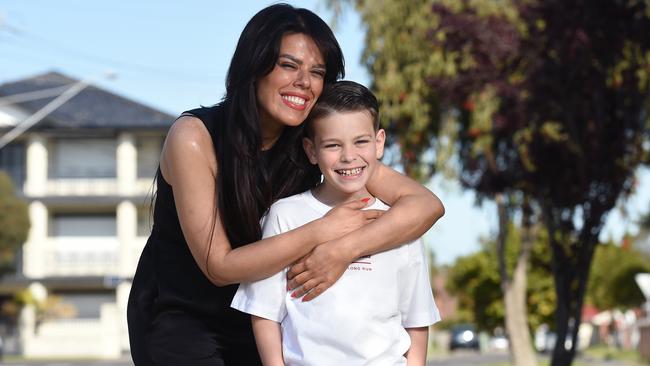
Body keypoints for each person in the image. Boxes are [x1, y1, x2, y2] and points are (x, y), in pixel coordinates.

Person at [127, 4, 444, 366]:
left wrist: (344, 249)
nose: (304, 82)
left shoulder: (318, 145)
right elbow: (220, 266)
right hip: (183, 316)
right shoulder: (195, 138)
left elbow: (424, 206)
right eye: (288, 66)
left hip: (261, 317)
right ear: (254, 66)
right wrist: (322, 231)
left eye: (317, 72)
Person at [232, 81, 440, 366]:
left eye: (361, 141)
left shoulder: (402, 223)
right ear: (311, 150)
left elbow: (416, 319)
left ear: (379, 142)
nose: (348, 156)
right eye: (332, 145)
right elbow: (264, 313)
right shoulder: (285, 215)